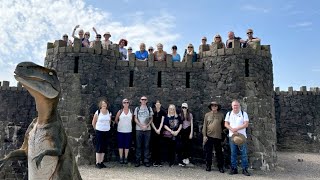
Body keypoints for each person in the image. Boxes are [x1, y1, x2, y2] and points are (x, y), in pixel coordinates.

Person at [224, 100, 250, 176]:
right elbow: (226, 124)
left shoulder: (243, 113)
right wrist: (232, 129)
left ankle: (245, 169)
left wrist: (237, 128)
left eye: (236, 105)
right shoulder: (229, 114)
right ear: (232, 106)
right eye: (234, 105)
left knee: (244, 153)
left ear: (239, 106)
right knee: (233, 153)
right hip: (232, 137)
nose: (235, 107)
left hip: (241, 137)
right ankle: (234, 169)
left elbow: (246, 124)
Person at [202, 101, 225, 173]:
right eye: (212, 106)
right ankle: (208, 165)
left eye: (215, 106)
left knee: (219, 153)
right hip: (209, 136)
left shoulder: (221, 115)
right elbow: (205, 126)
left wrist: (224, 134)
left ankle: (220, 167)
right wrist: (204, 135)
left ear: (217, 107)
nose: (214, 107)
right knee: (208, 152)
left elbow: (224, 126)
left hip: (218, 136)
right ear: (211, 107)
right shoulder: (207, 115)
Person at [91, 99, 112, 169]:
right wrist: (96, 129)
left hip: (106, 131)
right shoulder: (98, 112)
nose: (104, 105)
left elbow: (109, 122)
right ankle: (97, 162)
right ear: (100, 105)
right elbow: (93, 122)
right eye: (103, 104)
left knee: (104, 147)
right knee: (99, 147)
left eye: (105, 103)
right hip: (99, 131)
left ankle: (101, 162)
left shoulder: (109, 112)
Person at [134, 96, 153, 167]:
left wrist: (147, 125)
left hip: (147, 130)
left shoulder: (149, 108)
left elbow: (151, 118)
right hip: (139, 129)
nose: (143, 100)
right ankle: (138, 160)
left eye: (145, 99)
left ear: (147, 101)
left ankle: (146, 160)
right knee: (138, 145)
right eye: (142, 99)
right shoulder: (137, 109)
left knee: (146, 146)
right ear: (140, 100)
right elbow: (135, 119)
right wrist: (141, 125)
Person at [115, 99, 133, 164]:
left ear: (128, 104)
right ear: (122, 104)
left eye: (127, 102)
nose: (126, 103)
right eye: (124, 102)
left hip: (128, 130)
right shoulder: (120, 111)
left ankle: (125, 158)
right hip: (120, 131)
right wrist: (120, 125)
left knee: (127, 145)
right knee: (120, 145)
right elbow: (116, 120)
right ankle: (121, 158)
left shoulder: (131, 111)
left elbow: (132, 120)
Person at [151, 100, 166, 167]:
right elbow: (151, 121)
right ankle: (155, 161)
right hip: (154, 131)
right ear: (155, 105)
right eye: (156, 104)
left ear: (160, 105)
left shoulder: (163, 112)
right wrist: (155, 129)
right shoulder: (152, 112)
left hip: (160, 131)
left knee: (160, 146)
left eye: (158, 104)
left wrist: (159, 129)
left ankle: (160, 161)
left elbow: (162, 121)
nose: (157, 105)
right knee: (154, 146)